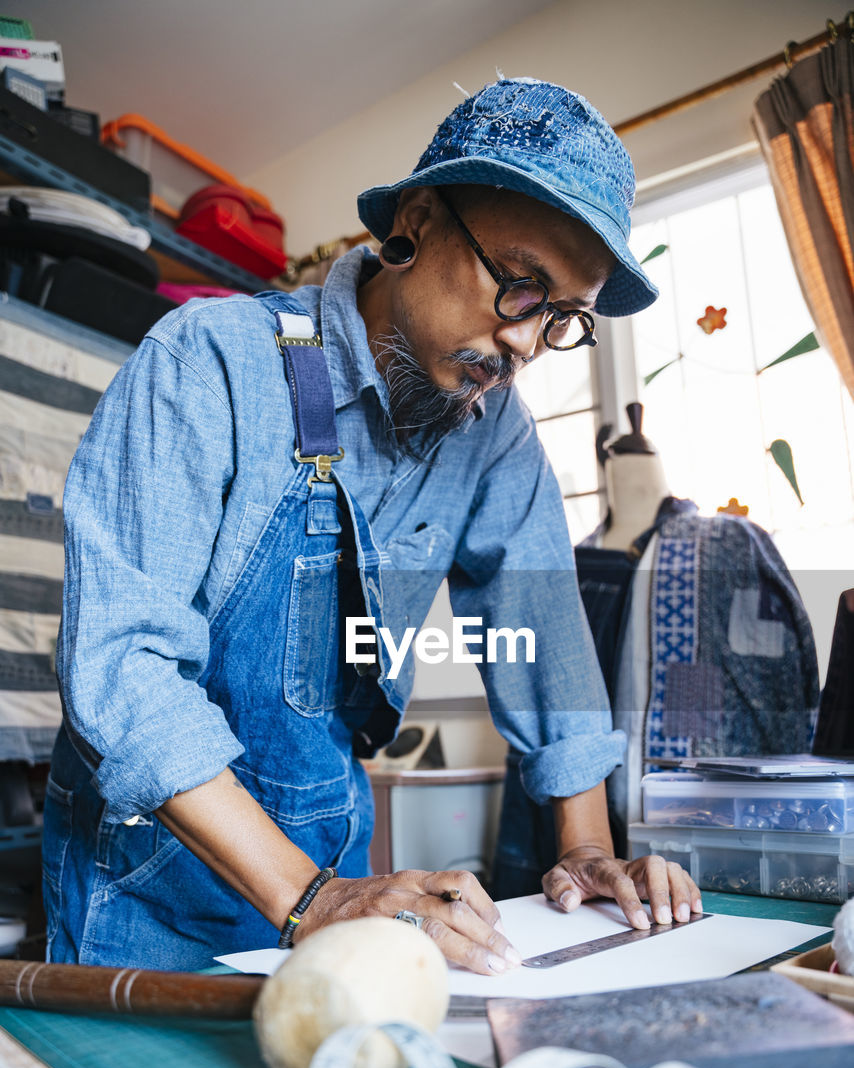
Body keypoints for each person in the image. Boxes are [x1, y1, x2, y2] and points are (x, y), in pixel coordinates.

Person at [44, 78, 702, 973]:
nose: (525, 342)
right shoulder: (213, 361)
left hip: (333, 886)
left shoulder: (494, 433)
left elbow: (543, 631)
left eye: (562, 319)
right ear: (417, 224)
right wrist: (310, 900)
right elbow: (122, 668)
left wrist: (585, 850)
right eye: (520, 285)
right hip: (150, 895)